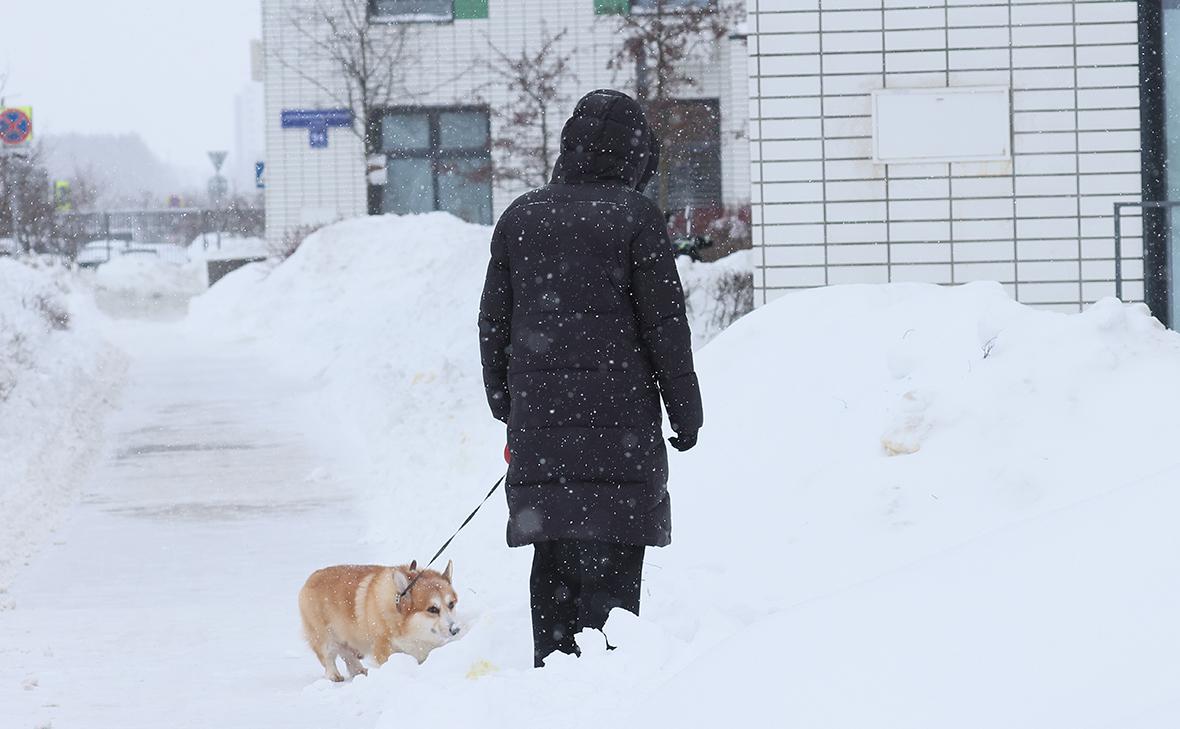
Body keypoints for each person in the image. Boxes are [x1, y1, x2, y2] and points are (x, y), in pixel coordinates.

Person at [478, 89, 703, 668]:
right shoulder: (635, 218)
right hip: (620, 425)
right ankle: (607, 678)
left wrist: (504, 399)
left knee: (552, 554)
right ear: (635, 156)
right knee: (615, 555)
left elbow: (494, 322)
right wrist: (685, 410)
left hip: (542, 426)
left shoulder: (521, 217)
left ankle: (551, 672)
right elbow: (665, 327)